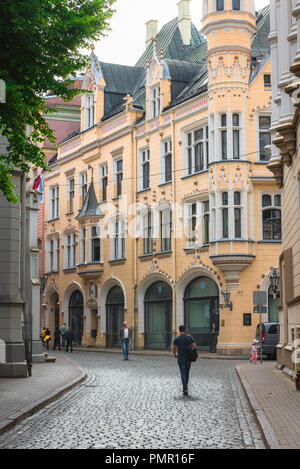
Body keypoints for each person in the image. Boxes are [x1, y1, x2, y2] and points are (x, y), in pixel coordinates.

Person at [173, 325, 197, 396]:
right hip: (188, 358)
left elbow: (174, 348)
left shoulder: (177, 338)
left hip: (180, 358)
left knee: (182, 373)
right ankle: (185, 386)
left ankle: (185, 388)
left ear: (179, 330)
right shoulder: (189, 337)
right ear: (185, 329)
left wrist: (175, 354)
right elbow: (194, 346)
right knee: (187, 373)